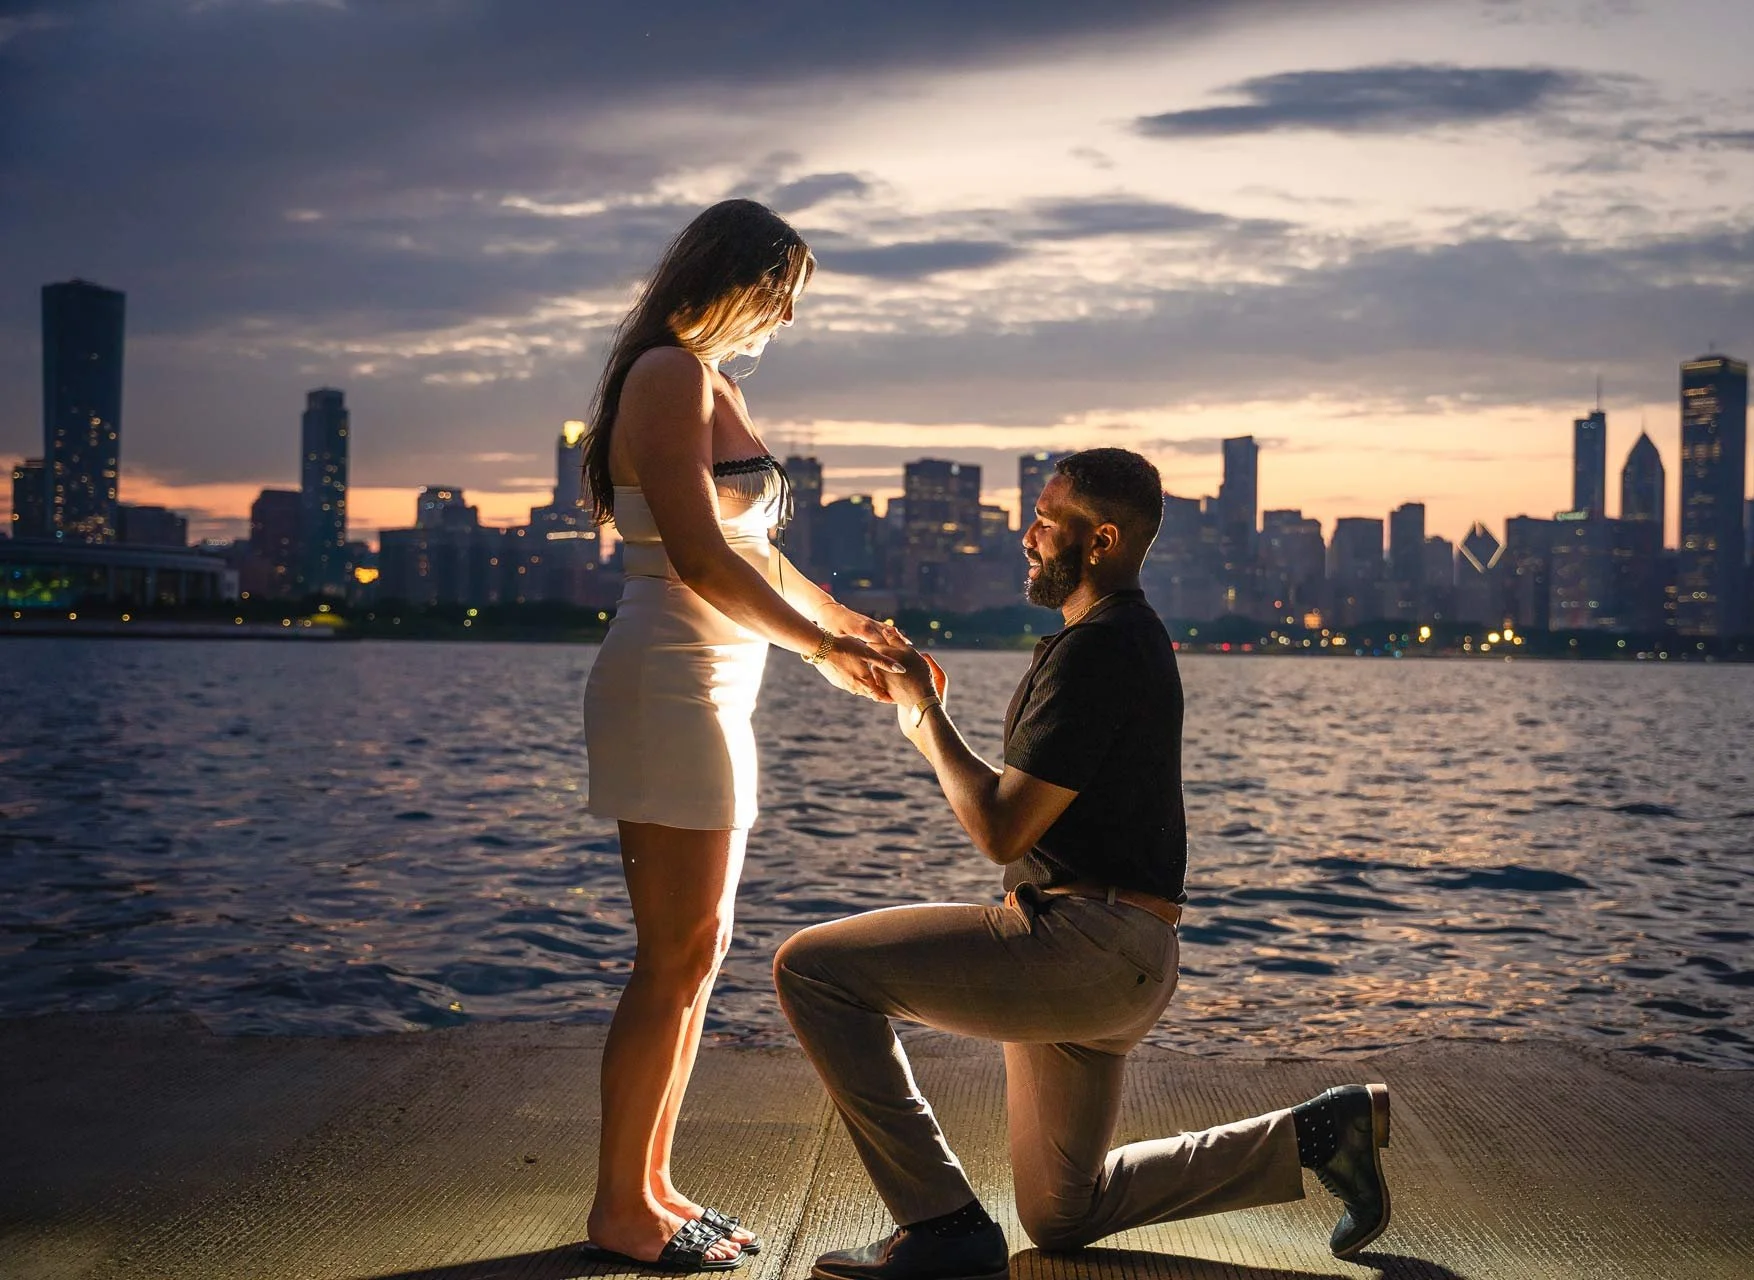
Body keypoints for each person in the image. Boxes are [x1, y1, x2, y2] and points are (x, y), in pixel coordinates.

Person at [774, 448, 1393, 1280]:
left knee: (812, 971)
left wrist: (924, 714)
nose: (1026, 537)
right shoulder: (1117, 640)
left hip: (1081, 944)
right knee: (1064, 1212)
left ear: (1099, 541)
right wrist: (928, 713)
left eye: (1045, 522)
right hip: (1121, 952)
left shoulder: (1100, 648)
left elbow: (1000, 829)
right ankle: (1322, 1133)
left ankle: (941, 1223)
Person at [578, 198, 907, 1273]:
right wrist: (821, 651)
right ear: (736, 273)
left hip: (715, 684)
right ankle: (619, 1207)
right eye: (784, 291)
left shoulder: (706, 382)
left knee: (699, 951)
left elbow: (751, 556)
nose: (790, 316)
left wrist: (851, 625)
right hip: (667, 680)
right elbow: (698, 558)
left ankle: (655, 1186)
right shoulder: (666, 374)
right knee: (668, 955)